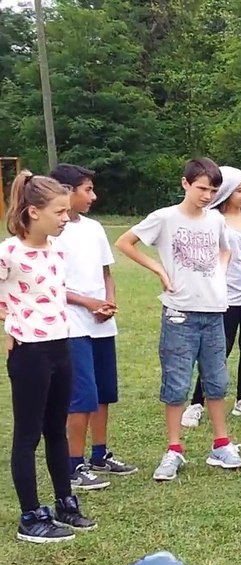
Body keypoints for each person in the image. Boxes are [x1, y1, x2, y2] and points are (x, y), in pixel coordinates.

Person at [116, 157, 241, 481]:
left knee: (216, 381)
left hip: (214, 312)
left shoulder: (216, 220)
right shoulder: (165, 218)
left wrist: (220, 272)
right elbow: (125, 243)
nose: (206, 195)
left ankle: (221, 444)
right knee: (176, 384)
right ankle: (173, 450)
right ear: (185, 184)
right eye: (201, 188)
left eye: (213, 190)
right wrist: (159, 269)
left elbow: (225, 250)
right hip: (179, 314)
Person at [2, 172, 98, 543]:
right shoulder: (9, 252)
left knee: (56, 430)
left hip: (62, 346)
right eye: (58, 211)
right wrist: (11, 324)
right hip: (30, 353)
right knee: (27, 435)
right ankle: (30, 516)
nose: (64, 217)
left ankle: (65, 503)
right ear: (33, 212)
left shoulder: (56, 250)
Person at [49, 164, 134, 487]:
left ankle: (100, 454)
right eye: (87, 189)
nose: (93, 196)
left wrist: (108, 302)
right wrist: (88, 304)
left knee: (103, 392)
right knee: (81, 395)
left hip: (101, 323)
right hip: (73, 325)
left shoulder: (94, 228)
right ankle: (73, 464)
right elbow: (50, 284)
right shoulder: (52, 233)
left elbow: (106, 274)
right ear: (66, 191)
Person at [184, 167, 241, 427]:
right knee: (218, 350)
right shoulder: (212, 219)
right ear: (226, 192)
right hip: (226, 294)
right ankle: (196, 403)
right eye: (240, 190)